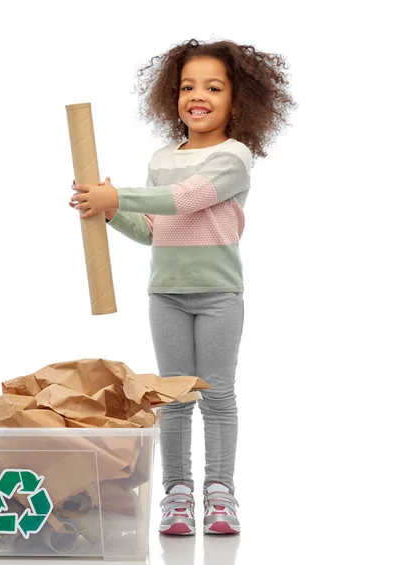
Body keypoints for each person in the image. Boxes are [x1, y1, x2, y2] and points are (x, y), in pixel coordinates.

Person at [69, 39, 297, 535]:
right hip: (166, 295)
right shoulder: (161, 157)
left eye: (214, 87)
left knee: (215, 395)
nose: (199, 95)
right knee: (172, 397)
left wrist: (118, 193)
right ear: (172, 95)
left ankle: (219, 494)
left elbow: (185, 199)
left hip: (219, 297)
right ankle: (177, 494)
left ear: (238, 101)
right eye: (188, 86)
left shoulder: (234, 157)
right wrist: (110, 212)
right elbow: (153, 226)